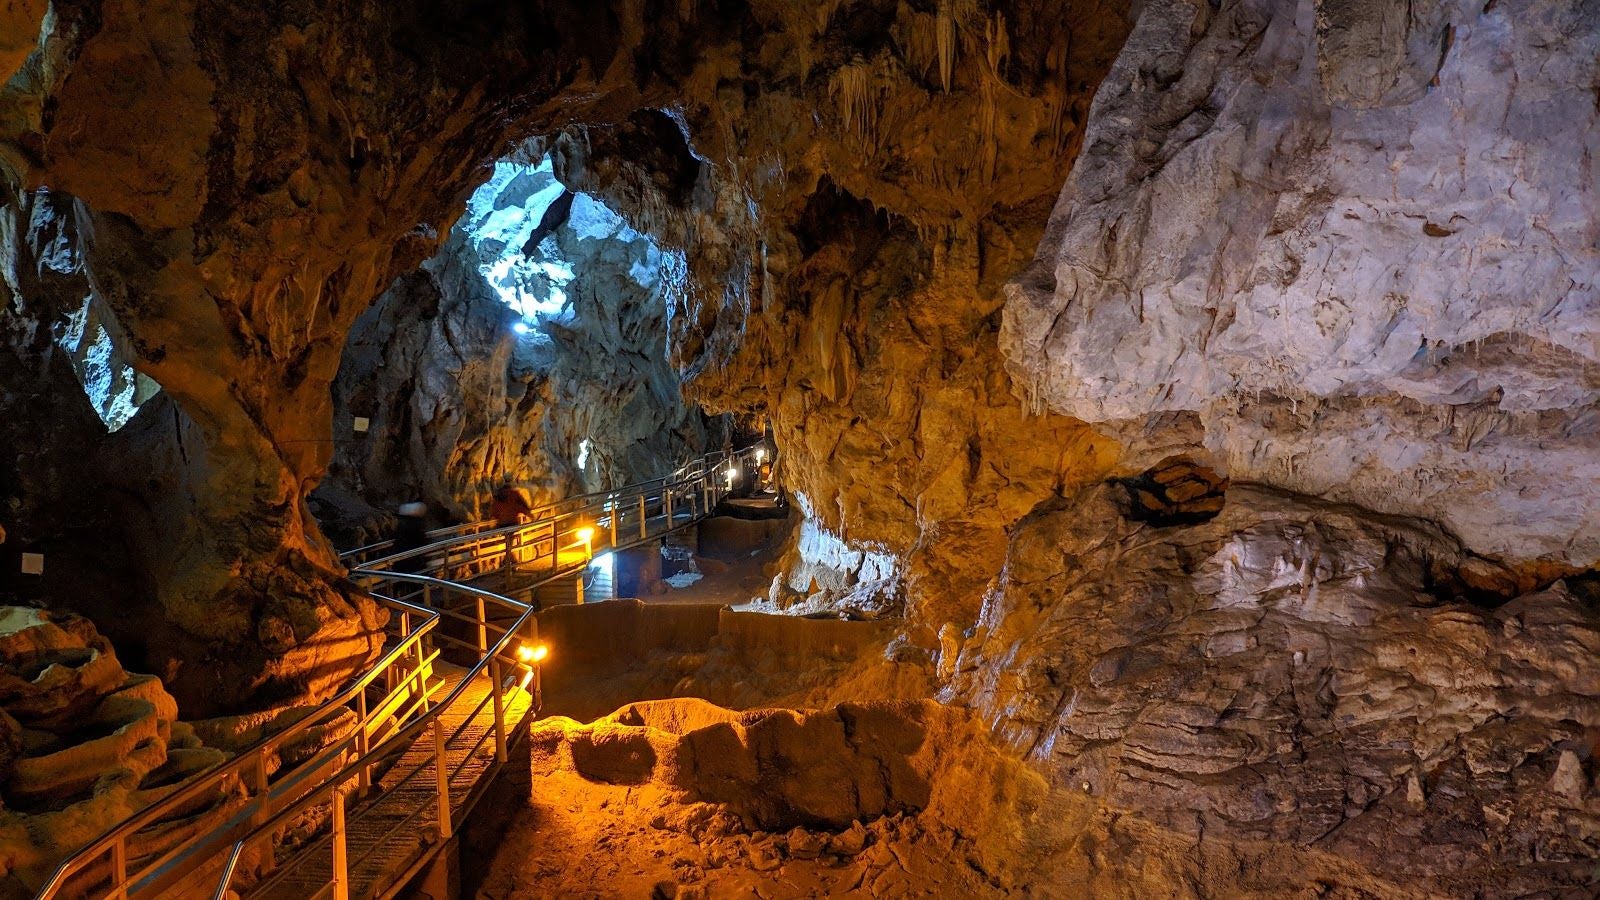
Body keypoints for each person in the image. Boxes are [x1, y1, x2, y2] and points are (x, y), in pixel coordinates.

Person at [393, 501, 429, 574]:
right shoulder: (417, 525)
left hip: (402, 556)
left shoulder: (403, 524)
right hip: (413, 558)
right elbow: (421, 540)